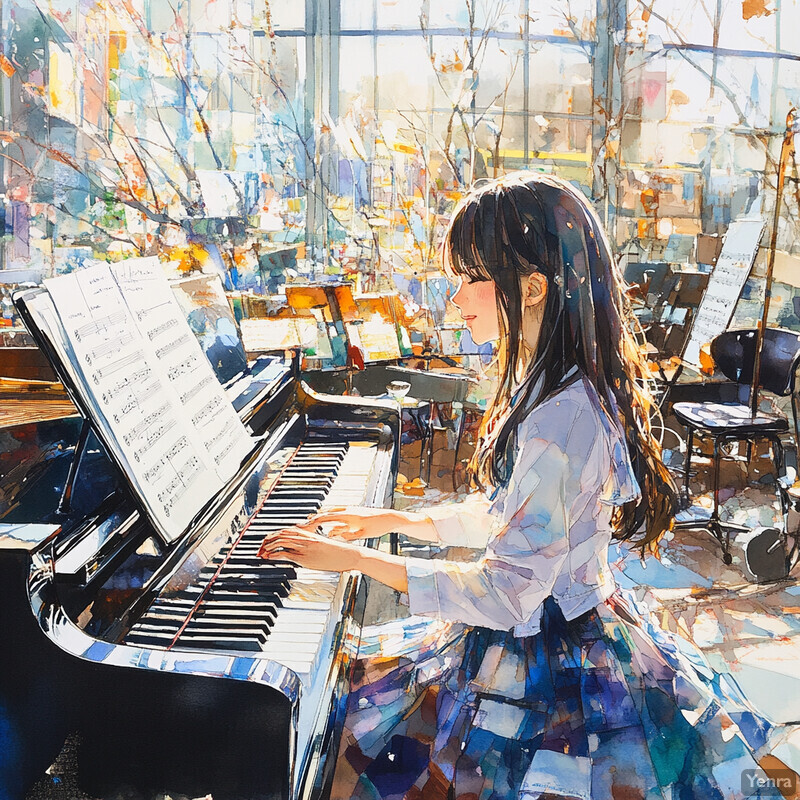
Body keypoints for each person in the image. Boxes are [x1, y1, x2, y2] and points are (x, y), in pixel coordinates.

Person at [259, 173, 787, 799]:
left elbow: (509, 591)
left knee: (359, 746)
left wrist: (358, 561)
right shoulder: (551, 389)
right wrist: (400, 524)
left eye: (468, 279)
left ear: (532, 287)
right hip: (553, 629)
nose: (456, 299)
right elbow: (519, 519)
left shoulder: (563, 421)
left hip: (549, 665)